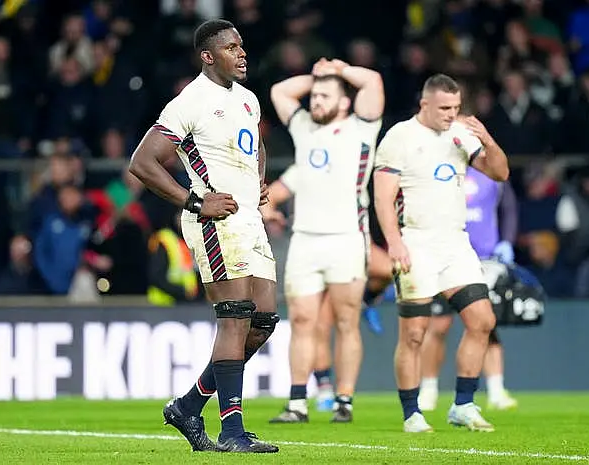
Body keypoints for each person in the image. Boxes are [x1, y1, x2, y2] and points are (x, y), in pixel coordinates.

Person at [128, 19, 279, 453]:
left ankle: (189, 406)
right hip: (216, 221)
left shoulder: (248, 99)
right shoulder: (190, 100)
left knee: (263, 319)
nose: (242, 53)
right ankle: (231, 431)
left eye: (242, 46)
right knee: (235, 315)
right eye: (231, 47)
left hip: (249, 217)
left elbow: (257, 148)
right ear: (208, 56)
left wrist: (258, 180)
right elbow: (143, 161)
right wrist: (195, 202)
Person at [373, 73, 509, 433]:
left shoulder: (462, 135)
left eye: (457, 107)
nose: (452, 114)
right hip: (416, 241)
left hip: (456, 243)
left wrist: (487, 139)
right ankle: (412, 413)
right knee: (414, 333)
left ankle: (463, 405)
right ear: (425, 105)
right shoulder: (399, 137)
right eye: (445, 108)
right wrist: (394, 242)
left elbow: (500, 173)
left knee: (482, 320)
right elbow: (383, 197)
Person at [266, 57, 384, 423]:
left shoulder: (362, 128)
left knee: (347, 321)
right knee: (302, 320)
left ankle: (344, 401)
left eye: (324, 96)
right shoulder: (304, 128)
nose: (315, 101)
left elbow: (373, 81)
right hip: (305, 238)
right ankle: (298, 402)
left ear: (345, 101)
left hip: (347, 238)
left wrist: (338, 72)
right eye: (313, 96)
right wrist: (318, 78)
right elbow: (280, 91)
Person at [261, 171, 394, 411]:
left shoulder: (354, 162)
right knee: (317, 325)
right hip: (312, 248)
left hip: (348, 243)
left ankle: (366, 299)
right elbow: (271, 195)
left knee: (388, 270)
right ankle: (322, 389)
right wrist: (269, 212)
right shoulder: (309, 161)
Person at [419, 165, 519, 411]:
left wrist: (506, 240)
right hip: (447, 257)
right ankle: (428, 389)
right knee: (438, 325)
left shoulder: (489, 172)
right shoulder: (440, 167)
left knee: (486, 323)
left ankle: (496, 390)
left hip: (485, 259)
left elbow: (509, 208)